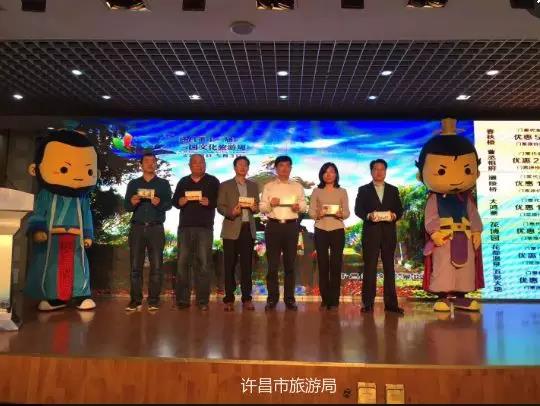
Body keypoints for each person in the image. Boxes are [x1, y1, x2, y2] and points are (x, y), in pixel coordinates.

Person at [25, 129, 98, 312]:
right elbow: (38, 212)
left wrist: (88, 234)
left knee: (78, 266)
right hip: (52, 237)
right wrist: (38, 229)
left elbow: (87, 215)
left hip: (76, 238)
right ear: (35, 169)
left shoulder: (82, 198)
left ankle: (81, 294)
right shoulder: (46, 194)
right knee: (51, 267)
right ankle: (54, 297)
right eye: (65, 169)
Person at [416, 118, 484, 312]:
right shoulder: (434, 198)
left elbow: (473, 215)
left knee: (465, 268)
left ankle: (462, 296)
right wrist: (435, 232)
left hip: (465, 236)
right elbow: (430, 217)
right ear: (421, 174)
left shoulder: (467, 198)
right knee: (443, 267)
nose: (455, 179)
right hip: (444, 238)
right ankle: (443, 297)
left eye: (467, 169)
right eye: (442, 171)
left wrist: (476, 231)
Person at [354, 159, 404, 315]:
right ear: (371, 171)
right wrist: (368, 215)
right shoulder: (363, 190)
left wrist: (394, 215)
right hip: (371, 233)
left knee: (389, 268)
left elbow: (399, 210)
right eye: (376, 169)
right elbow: (358, 210)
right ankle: (368, 303)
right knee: (369, 268)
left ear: (386, 171)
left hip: (389, 234)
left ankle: (391, 304)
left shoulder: (393, 190)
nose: (379, 172)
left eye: (382, 169)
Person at [123, 152, 172, 311]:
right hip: (137, 228)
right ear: (141, 165)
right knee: (135, 267)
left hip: (156, 228)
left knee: (156, 266)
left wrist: (159, 203)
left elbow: (169, 205)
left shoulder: (163, 184)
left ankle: (153, 300)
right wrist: (132, 202)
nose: (150, 164)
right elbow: (127, 206)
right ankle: (135, 300)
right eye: (147, 161)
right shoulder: (133, 184)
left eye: (153, 161)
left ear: (156, 164)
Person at [173, 154, 220, 311]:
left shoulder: (213, 181)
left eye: (202, 162)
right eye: (195, 162)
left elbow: (220, 202)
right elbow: (175, 201)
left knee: (204, 264)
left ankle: (202, 300)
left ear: (205, 164)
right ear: (189, 165)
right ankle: (182, 299)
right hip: (185, 228)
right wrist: (180, 201)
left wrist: (210, 202)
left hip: (205, 228)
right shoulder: (183, 181)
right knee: (182, 264)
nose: (199, 165)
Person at [259, 155, 306, 311]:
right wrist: (270, 204)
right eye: (281, 165)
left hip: (291, 226)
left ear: (291, 168)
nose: (284, 168)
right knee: (272, 265)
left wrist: (299, 207)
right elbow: (262, 207)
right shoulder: (269, 186)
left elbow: (304, 205)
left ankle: (289, 299)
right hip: (273, 226)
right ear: (276, 168)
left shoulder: (297, 187)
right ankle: (272, 299)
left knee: (290, 265)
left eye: (287, 166)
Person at [217, 156, 260, 311]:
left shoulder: (253, 186)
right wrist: (231, 212)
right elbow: (220, 206)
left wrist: (255, 208)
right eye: (240, 165)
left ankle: (247, 298)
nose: (243, 167)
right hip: (231, 229)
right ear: (235, 167)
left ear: (248, 168)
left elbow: (257, 206)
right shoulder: (225, 185)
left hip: (248, 229)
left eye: (245, 165)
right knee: (229, 265)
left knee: (247, 266)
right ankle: (229, 299)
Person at [308, 162, 350, 311]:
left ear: (336, 174)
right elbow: (311, 211)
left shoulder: (342, 191)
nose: (329, 174)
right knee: (323, 265)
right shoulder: (316, 191)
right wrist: (317, 214)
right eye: (325, 172)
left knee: (336, 264)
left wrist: (341, 214)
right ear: (322, 174)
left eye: (331, 171)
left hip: (337, 229)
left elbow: (347, 212)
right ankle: (325, 299)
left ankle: (334, 300)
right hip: (321, 229)